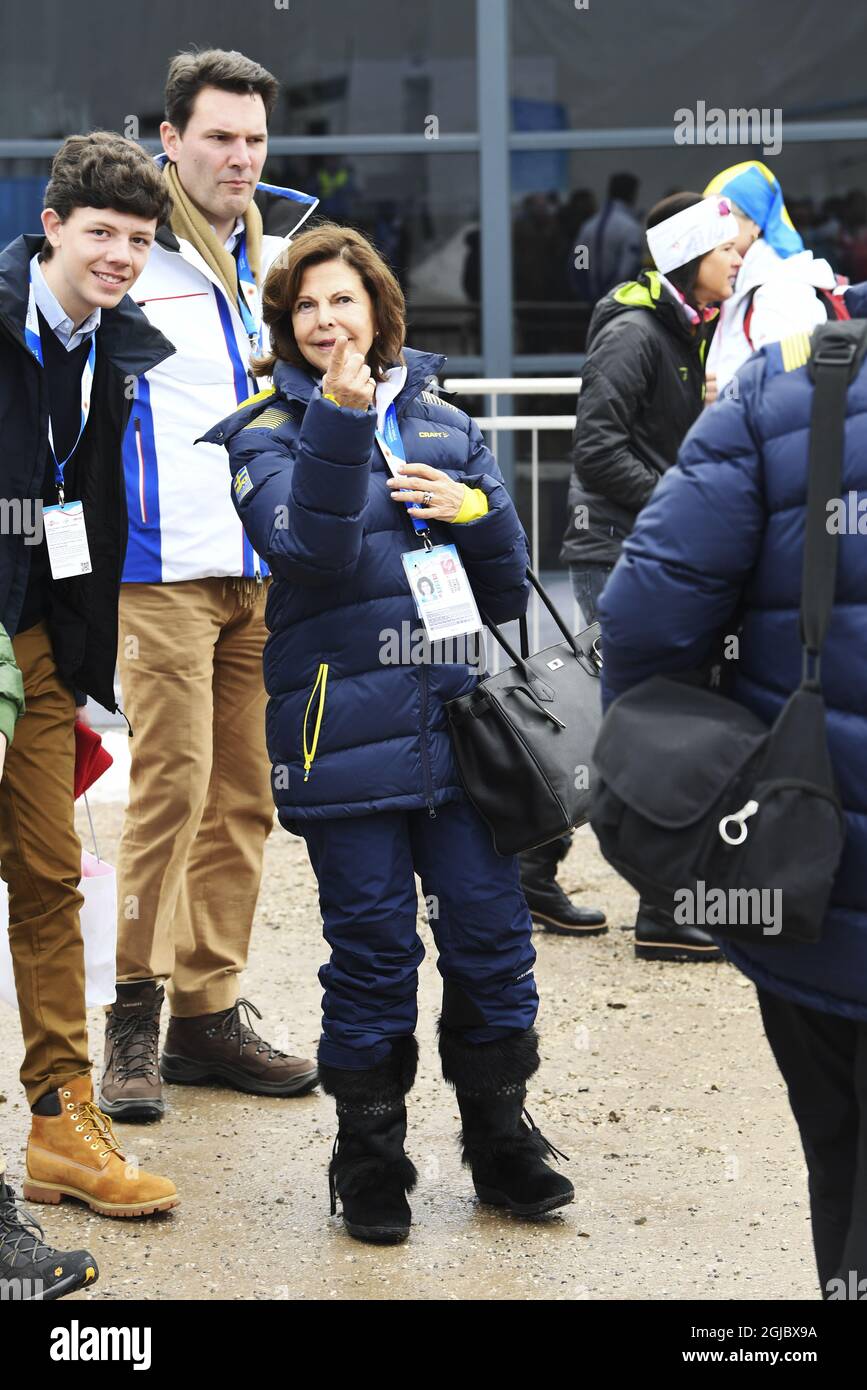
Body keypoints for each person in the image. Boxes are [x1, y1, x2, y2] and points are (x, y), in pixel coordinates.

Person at [203, 222, 574, 1244]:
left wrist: (475, 510)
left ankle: (502, 1139)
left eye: (345, 300)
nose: (328, 319)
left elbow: (501, 590)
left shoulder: (448, 426)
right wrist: (335, 422)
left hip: (463, 740)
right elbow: (307, 553)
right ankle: (369, 1159)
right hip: (341, 743)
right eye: (307, 305)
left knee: (494, 942)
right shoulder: (262, 435)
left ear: (380, 313)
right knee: (369, 953)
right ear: (287, 326)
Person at [596, 324, 867, 1299]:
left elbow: (643, 619)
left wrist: (703, 766)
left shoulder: (792, 381)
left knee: (841, 1157)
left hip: (805, 873)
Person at [101, 50, 320, 1123]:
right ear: (171, 142)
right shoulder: (129, 253)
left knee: (247, 797)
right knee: (172, 790)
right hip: (160, 572)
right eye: (219, 137)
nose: (240, 156)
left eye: (254, 139)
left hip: (260, 572)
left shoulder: (280, 257)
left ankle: (207, 1012)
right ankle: (132, 1017)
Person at [0, 131, 177, 1217]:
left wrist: (78, 659)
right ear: (52, 225)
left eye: (139, 240)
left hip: (42, 643)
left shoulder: (120, 346)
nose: (119, 256)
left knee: (49, 873)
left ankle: (62, 1121)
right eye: (102, 233)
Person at [560, 192, 742, 961]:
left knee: (632, 721)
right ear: (690, 256)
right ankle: (664, 910)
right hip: (615, 553)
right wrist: (680, 502)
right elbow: (596, 449)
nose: (737, 259)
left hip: (642, 552)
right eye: (726, 249)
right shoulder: (636, 333)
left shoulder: (679, 330)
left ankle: (529, 866)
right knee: (645, 729)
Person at [703, 161, 844, 394]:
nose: (707, 230)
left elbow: (792, 387)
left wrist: (724, 398)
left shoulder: (783, 287)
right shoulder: (745, 281)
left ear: (755, 224)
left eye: (720, 216)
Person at [572, 173, 643, 304]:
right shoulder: (630, 227)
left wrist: (588, 292)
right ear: (633, 194)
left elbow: (579, 262)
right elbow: (627, 268)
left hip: (591, 300)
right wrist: (608, 293)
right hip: (617, 301)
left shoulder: (588, 226)